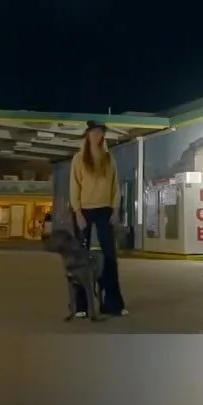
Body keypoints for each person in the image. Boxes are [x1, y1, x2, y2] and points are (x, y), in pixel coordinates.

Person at [69, 120, 127, 316]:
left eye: (101, 133)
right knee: (81, 257)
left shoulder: (109, 159)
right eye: (94, 133)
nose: (98, 136)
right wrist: (77, 212)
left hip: (105, 210)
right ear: (87, 135)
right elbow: (74, 186)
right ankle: (81, 306)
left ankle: (113, 304)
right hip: (84, 211)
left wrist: (115, 209)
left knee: (110, 257)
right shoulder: (79, 158)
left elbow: (115, 185)